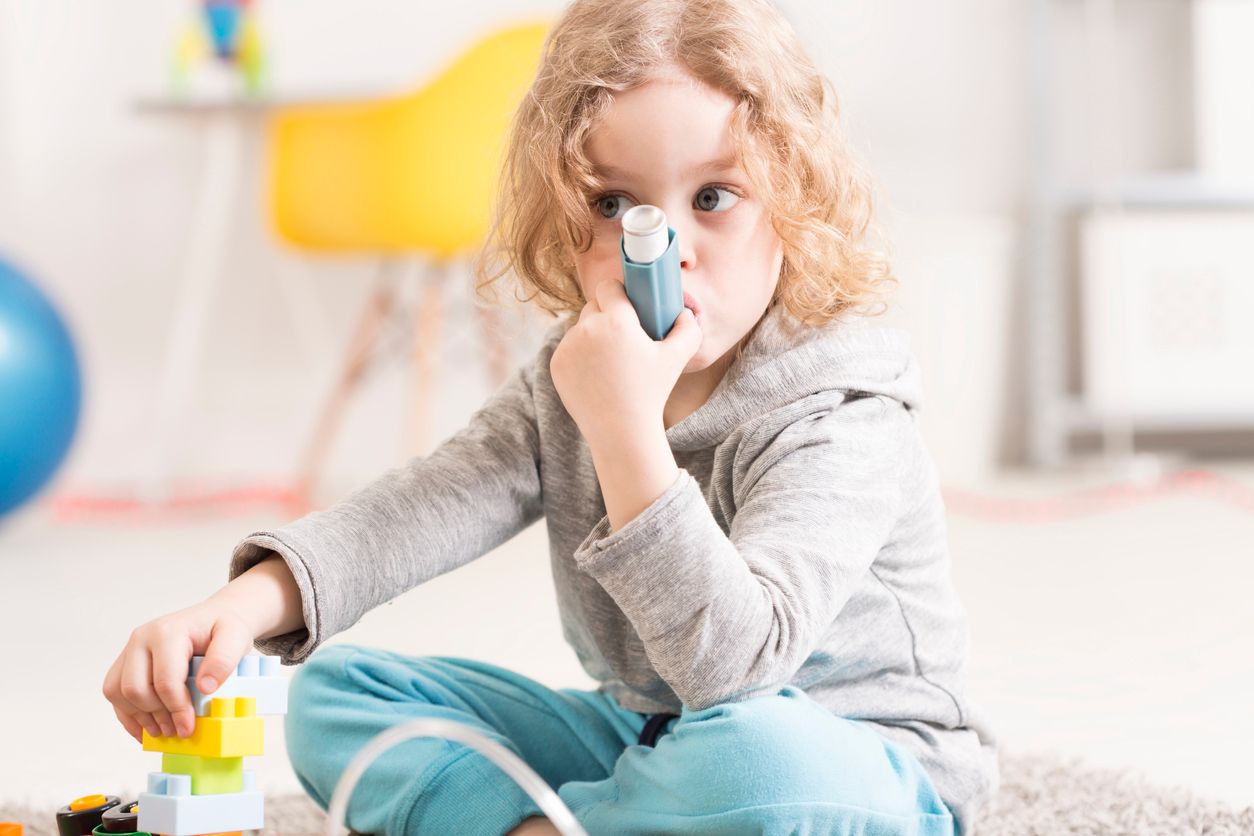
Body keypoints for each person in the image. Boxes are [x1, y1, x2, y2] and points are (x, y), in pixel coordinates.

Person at [102, 1, 999, 833]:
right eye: (615, 206)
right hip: (649, 737)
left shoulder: (840, 409)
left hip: (856, 764)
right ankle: (567, 823)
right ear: (564, 216)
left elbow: (737, 668)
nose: (665, 253)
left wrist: (625, 431)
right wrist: (239, 605)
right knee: (341, 696)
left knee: (757, 762)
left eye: (714, 198)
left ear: (793, 205)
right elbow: (419, 508)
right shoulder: (568, 379)